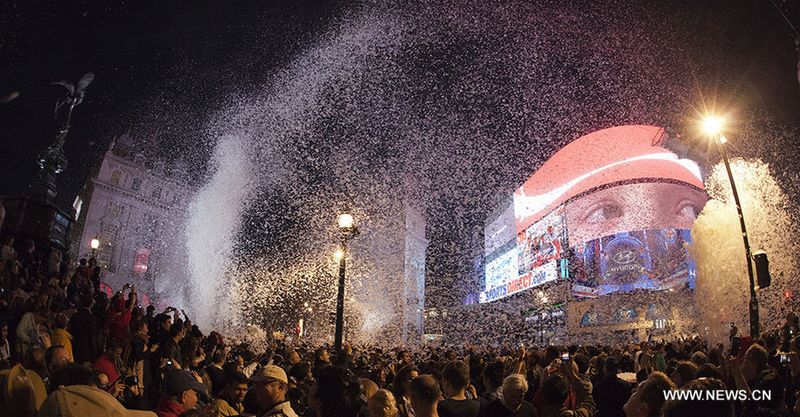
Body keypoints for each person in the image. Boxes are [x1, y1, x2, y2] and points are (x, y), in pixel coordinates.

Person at [70, 292, 100, 365]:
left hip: (75, 349)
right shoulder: (91, 318)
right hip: (86, 353)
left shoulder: (75, 316)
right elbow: (92, 338)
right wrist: (94, 357)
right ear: (91, 304)